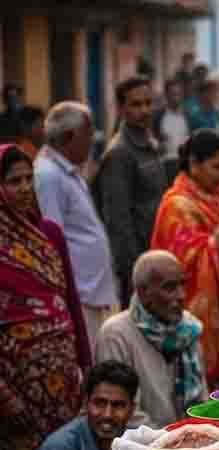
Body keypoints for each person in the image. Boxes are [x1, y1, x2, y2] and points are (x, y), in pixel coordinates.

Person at [0, 144, 90, 450]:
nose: (20, 189)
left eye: (25, 180)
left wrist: (85, 367)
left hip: (60, 387)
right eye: (10, 181)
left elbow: (70, 302)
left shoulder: (49, 233)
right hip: (15, 391)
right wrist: (6, 396)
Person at [151, 129, 219, 384]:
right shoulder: (176, 204)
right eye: (216, 166)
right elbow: (192, 259)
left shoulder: (211, 196)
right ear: (194, 164)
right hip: (188, 306)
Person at [35, 102, 118, 350]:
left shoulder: (68, 171)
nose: (93, 140)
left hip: (91, 290)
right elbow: (52, 238)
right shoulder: (47, 175)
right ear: (70, 137)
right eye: (89, 134)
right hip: (79, 292)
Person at [96, 251, 207, 428]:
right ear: (143, 293)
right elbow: (123, 413)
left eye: (182, 285)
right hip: (142, 445)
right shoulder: (116, 334)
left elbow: (201, 402)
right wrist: (169, 443)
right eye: (170, 288)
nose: (181, 296)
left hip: (188, 439)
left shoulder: (189, 330)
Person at [95, 76, 167, 307]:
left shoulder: (149, 144)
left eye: (148, 103)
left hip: (157, 253)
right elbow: (117, 220)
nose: (145, 110)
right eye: (136, 104)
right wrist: (134, 272)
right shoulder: (119, 154)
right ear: (121, 108)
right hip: (140, 266)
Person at [153, 79, 191, 184]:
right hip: (165, 165)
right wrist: (158, 144)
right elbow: (151, 139)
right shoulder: (158, 117)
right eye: (172, 94)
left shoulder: (186, 116)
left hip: (183, 164)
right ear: (166, 95)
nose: (175, 97)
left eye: (178, 94)